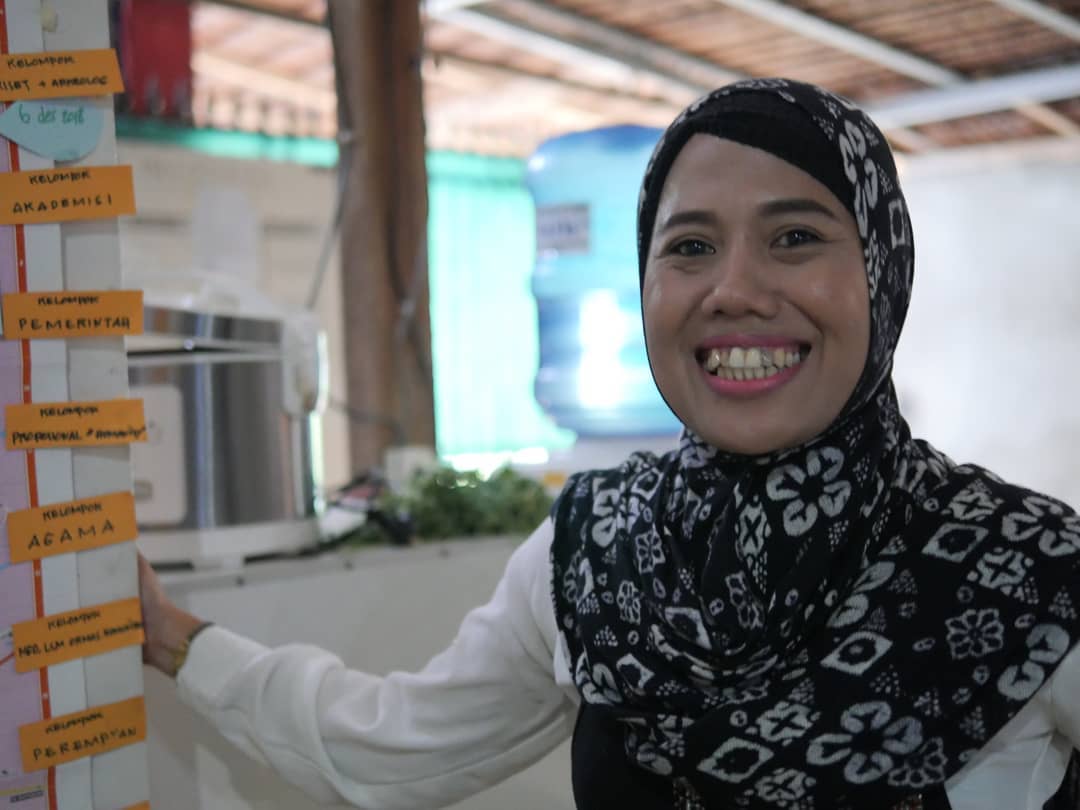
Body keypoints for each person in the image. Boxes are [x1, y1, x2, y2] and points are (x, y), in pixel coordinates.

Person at [139, 78, 1080, 809]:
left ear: (881, 270)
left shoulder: (1030, 574)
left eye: (795, 236)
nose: (733, 291)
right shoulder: (592, 554)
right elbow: (391, 746)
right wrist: (176, 639)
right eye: (690, 247)